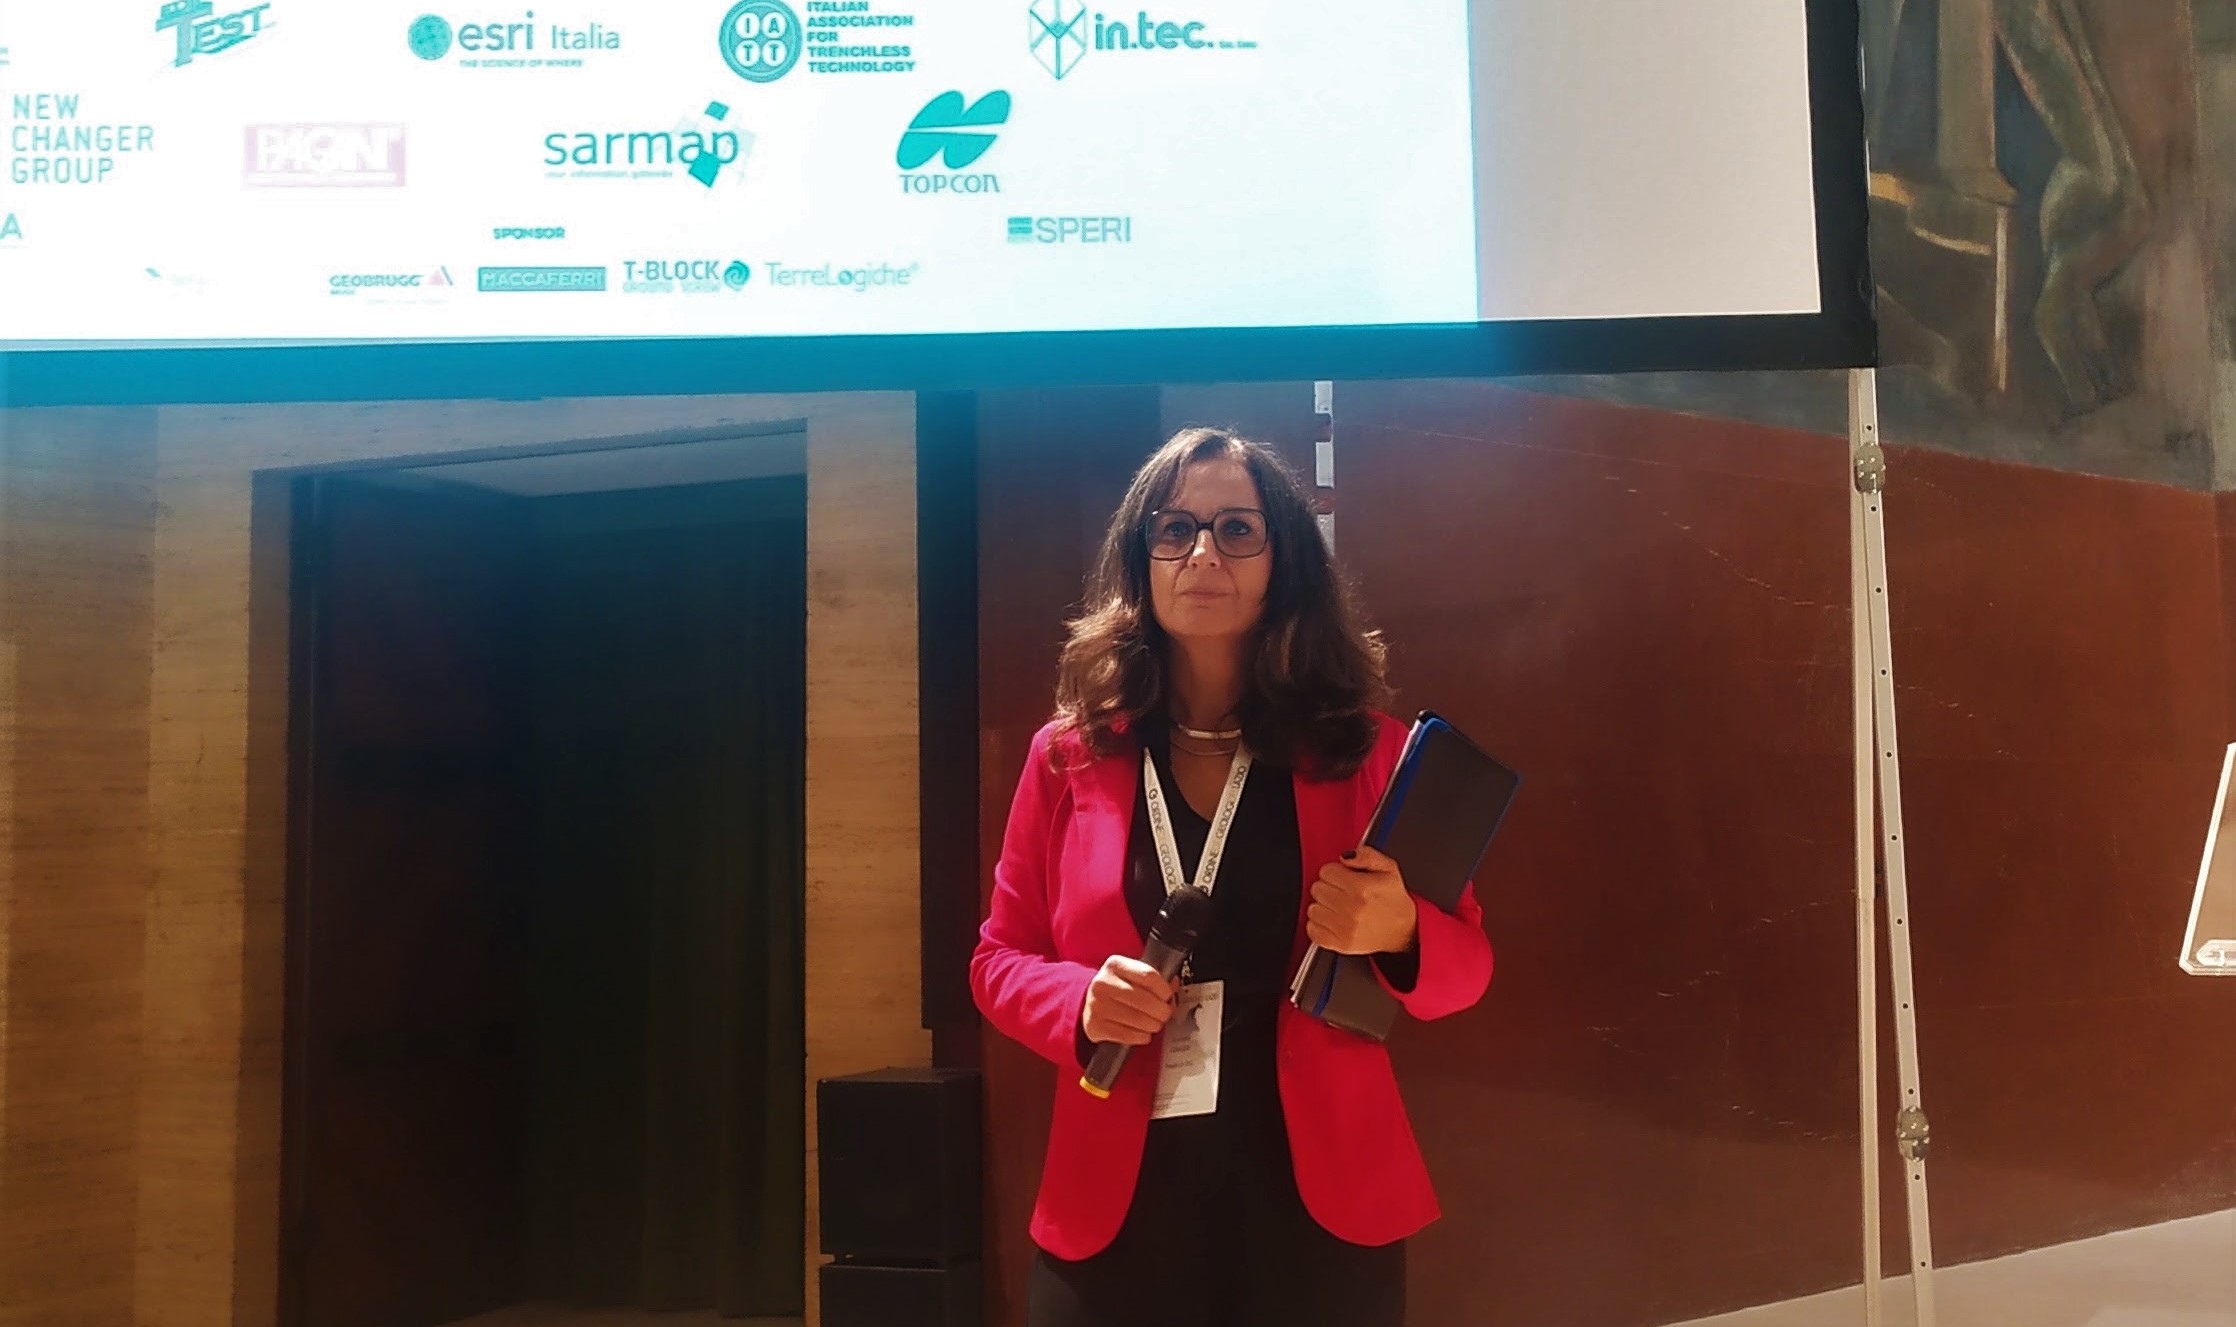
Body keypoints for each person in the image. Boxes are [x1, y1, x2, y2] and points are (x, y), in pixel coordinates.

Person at [971, 426, 1495, 1326]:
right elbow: (997, 958)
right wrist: (1080, 1003)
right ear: (1141, 560)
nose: (1202, 553)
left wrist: (1403, 929)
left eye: (1237, 529)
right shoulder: (1068, 757)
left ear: (1282, 560)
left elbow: (1467, 971)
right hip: (1118, 1202)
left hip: (1316, 1201)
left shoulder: (1368, 752)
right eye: (1174, 529)